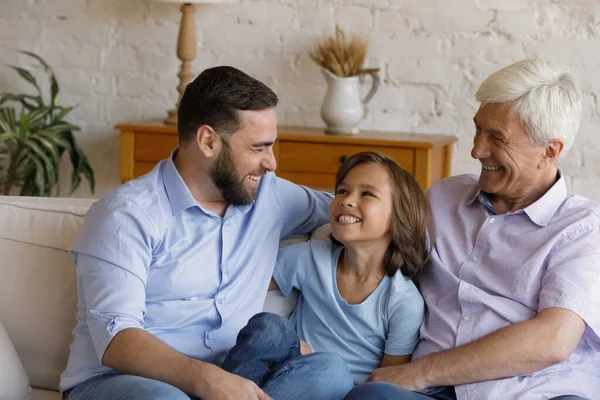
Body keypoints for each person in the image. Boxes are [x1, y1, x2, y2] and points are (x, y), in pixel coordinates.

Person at [59, 66, 351, 400]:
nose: (271, 163)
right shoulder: (127, 214)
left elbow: (347, 209)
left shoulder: (271, 196)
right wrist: (208, 381)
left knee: (330, 373)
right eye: (258, 148)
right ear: (208, 140)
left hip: (237, 375)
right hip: (121, 382)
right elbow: (116, 341)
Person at [345, 59, 600, 400]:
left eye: (497, 137)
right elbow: (366, 218)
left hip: (537, 392)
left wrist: (416, 373)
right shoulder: (443, 198)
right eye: (478, 129)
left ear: (549, 151)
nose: (477, 150)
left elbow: (552, 340)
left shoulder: (582, 230)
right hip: (430, 394)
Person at [220, 151, 433, 398]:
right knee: (271, 327)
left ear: (399, 216)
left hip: (338, 390)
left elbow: (388, 383)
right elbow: (244, 284)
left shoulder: (403, 302)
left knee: (330, 367)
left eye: (367, 193)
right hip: (284, 372)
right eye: (342, 191)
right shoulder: (311, 258)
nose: (346, 200)